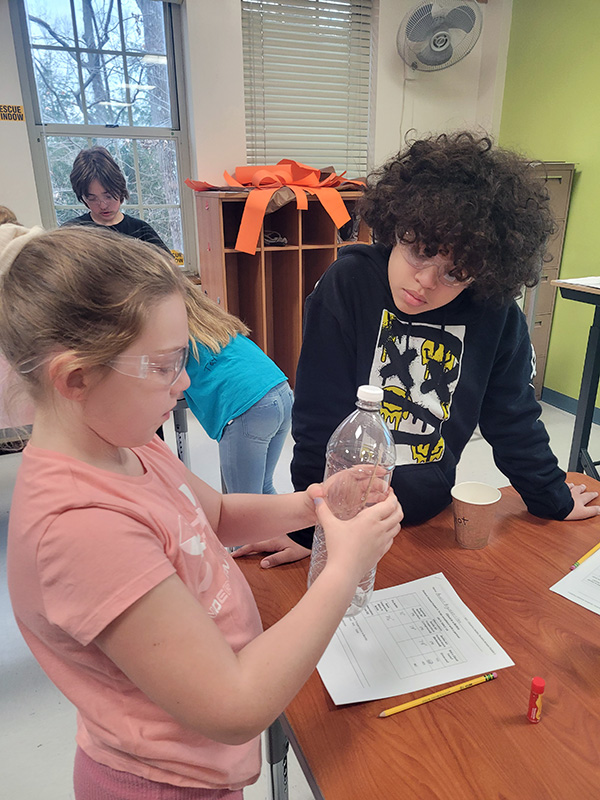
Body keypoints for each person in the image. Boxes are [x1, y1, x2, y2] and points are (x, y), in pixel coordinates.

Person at [0, 222, 402, 799]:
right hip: (162, 784)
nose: (185, 382)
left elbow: (209, 513)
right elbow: (234, 704)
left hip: (203, 766)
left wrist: (312, 505)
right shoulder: (80, 526)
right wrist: (343, 568)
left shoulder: (127, 440)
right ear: (76, 377)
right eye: (163, 366)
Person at [233, 131, 600, 569]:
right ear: (398, 226)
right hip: (342, 519)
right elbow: (318, 424)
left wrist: (551, 497)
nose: (426, 281)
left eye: (455, 272)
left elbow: (512, 417)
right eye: (421, 251)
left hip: (426, 516)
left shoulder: (493, 312)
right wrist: (313, 531)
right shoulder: (348, 284)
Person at [184, 291, 293, 494]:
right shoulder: (213, 321)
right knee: (263, 487)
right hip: (281, 392)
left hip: (248, 406)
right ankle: (279, 526)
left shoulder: (173, 329)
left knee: (243, 503)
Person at [64, 145, 171, 253]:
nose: (103, 205)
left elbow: (169, 265)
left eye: (108, 196)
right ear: (82, 197)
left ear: (120, 189)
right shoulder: (72, 232)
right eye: (92, 198)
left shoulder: (140, 230)